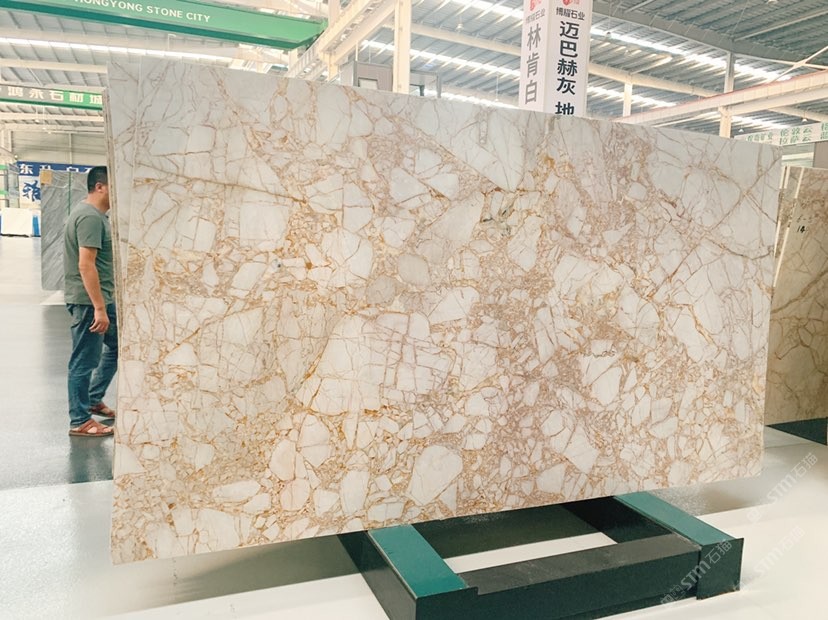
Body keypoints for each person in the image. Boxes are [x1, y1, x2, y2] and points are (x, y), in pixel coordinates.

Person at [64, 166, 117, 437]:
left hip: (102, 299)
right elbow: (86, 265)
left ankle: (94, 398)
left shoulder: (96, 216)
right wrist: (98, 308)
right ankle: (80, 420)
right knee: (84, 361)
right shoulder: (89, 217)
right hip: (89, 303)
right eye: (114, 185)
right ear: (100, 187)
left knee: (118, 346)